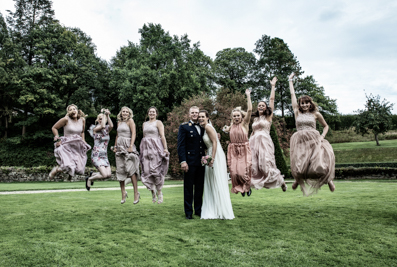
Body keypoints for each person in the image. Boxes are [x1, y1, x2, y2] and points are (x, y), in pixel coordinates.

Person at [288, 72, 336, 196]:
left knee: (318, 165)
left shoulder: (316, 114)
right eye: (302, 103)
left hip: (314, 141)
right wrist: (290, 80)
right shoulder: (297, 112)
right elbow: (292, 95)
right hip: (300, 141)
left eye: (306, 103)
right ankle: (297, 180)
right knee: (299, 166)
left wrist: (322, 136)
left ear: (310, 103)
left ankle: (328, 180)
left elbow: (326, 126)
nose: (304, 105)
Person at [250, 77, 287, 192]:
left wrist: (273, 86)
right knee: (255, 165)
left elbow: (271, 99)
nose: (260, 106)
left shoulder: (268, 117)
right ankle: (254, 184)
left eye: (263, 105)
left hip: (265, 142)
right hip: (254, 142)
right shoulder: (255, 119)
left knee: (266, 163)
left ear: (266, 108)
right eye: (259, 105)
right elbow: (252, 132)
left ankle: (281, 181)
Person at [199, 110, 234, 220]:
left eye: (202, 117)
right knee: (213, 181)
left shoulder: (208, 127)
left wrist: (212, 158)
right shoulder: (206, 128)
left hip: (215, 154)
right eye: (199, 117)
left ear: (207, 117)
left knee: (216, 181)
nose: (200, 118)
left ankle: (221, 210)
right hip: (212, 153)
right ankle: (216, 209)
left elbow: (214, 142)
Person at [177, 106, 206, 219]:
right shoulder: (184, 127)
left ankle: (198, 210)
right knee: (188, 188)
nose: (195, 115)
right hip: (189, 162)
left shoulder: (203, 127)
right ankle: (188, 212)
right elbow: (181, 146)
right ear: (189, 114)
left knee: (199, 188)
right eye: (193, 113)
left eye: (196, 113)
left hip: (201, 162)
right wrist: (183, 161)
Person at [223, 89, 253, 197]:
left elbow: (249, 110)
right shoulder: (231, 126)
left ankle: (247, 187)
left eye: (238, 115)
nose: (236, 117)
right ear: (232, 117)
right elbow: (226, 130)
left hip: (244, 149)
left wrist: (248, 96)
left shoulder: (245, 124)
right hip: (233, 150)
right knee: (234, 173)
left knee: (242, 172)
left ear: (241, 116)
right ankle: (240, 188)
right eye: (234, 116)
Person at [49, 104, 91, 178]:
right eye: (70, 110)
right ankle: (56, 170)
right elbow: (54, 128)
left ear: (77, 110)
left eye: (74, 109)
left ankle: (70, 174)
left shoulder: (82, 120)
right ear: (68, 112)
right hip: (67, 145)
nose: (72, 110)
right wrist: (58, 138)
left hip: (77, 146)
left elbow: (82, 132)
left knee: (80, 170)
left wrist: (83, 140)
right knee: (67, 165)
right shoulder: (66, 119)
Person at [139, 106, 169, 204]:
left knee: (156, 171)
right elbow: (144, 138)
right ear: (148, 113)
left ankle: (159, 192)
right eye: (150, 112)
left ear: (156, 113)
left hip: (156, 148)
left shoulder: (158, 123)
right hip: (146, 149)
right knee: (147, 171)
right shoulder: (144, 124)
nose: (151, 113)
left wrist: (165, 148)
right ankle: (152, 191)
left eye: (153, 112)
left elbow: (162, 136)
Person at [113, 107, 140, 204]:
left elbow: (134, 133)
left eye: (126, 112)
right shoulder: (119, 122)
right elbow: (117, 135)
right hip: (119, 147)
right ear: (121, 113)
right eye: (123, 111)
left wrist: (131, 146)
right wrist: (115, 146)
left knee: (131, 169)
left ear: (129, 113)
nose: (125, 113)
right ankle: (123, 193)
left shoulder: (130, 121)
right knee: (120, 170)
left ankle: (136, 193)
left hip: (128, 146)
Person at [85, 109, 113, 191]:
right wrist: (104, 114)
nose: (102, 120)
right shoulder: (95, 129)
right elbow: (103, 126)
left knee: (109, 175)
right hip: (96, 155)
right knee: (104, 175)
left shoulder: (106, 130)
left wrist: (107, 115)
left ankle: (92, 174)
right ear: (97, 120)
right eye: (100, 118)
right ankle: (90, 179)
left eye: (103, 118)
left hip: (104, 155)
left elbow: (111, 126)